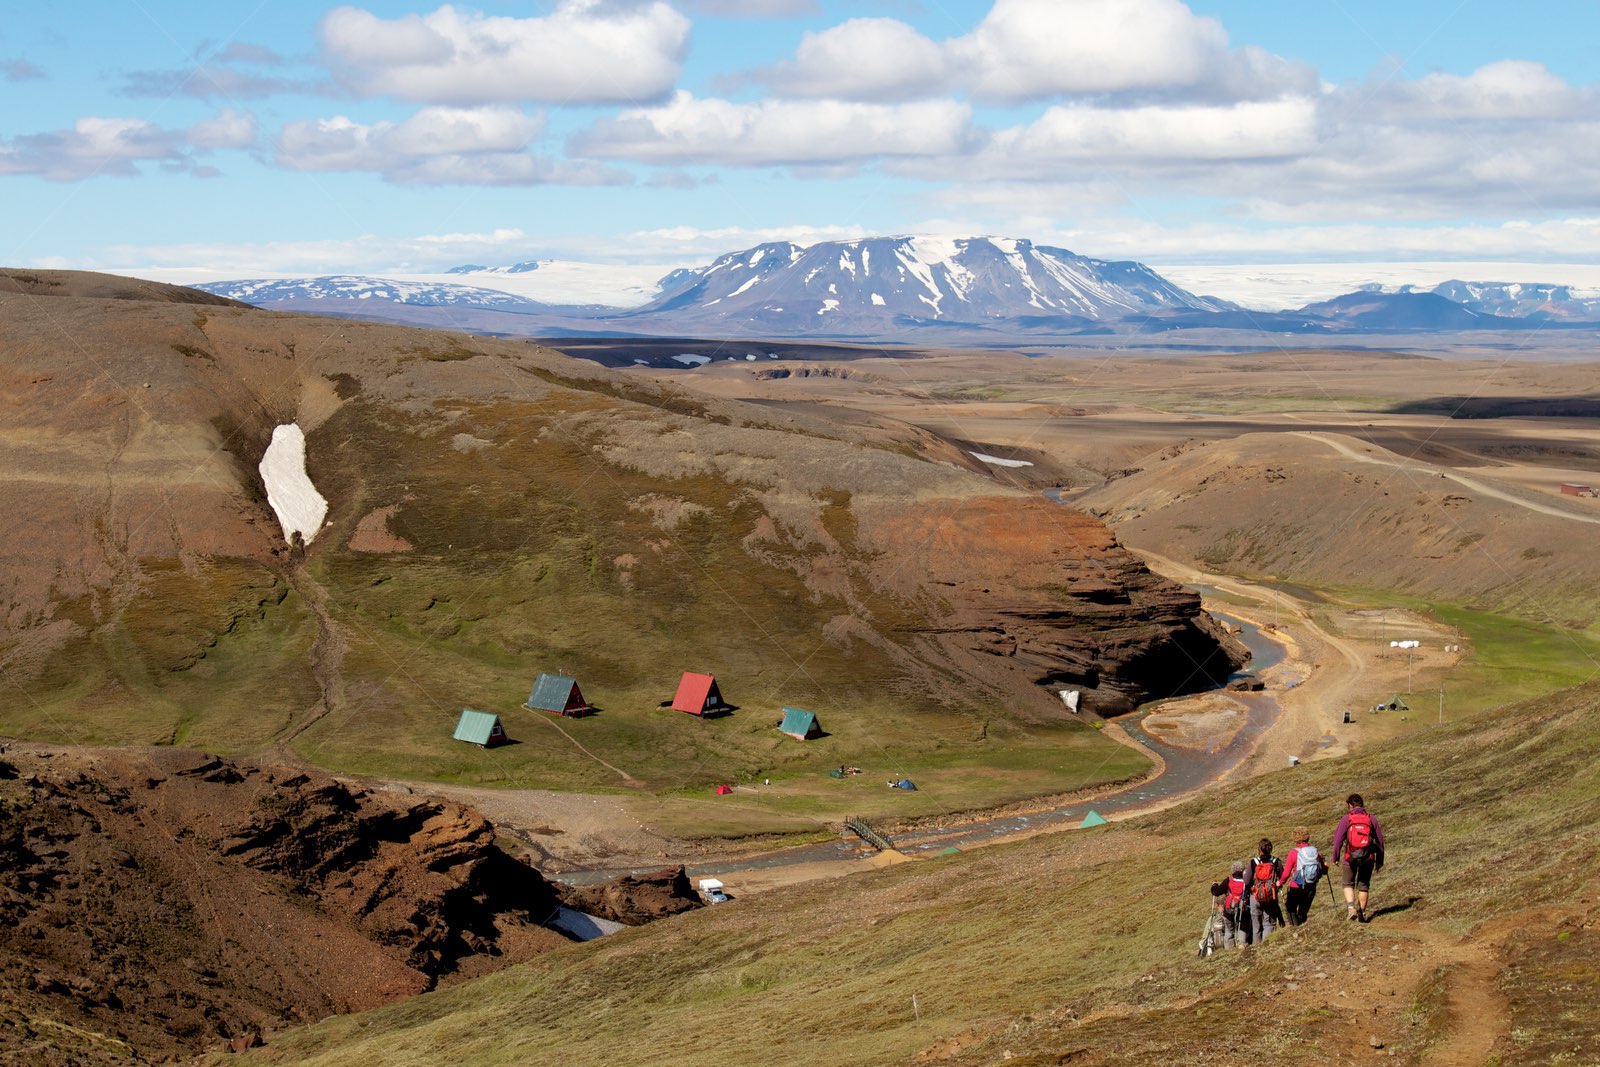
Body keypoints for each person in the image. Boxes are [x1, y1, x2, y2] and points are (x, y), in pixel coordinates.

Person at [1332, 793, 1386, 922]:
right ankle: (1362, 912)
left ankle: (1351, 909)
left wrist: (1336, 856)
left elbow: (1338, 839)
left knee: (1347, 883)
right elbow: (1380, 841)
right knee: (1363, 885)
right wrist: (1380, 861)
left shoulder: (1347, 819)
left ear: (1350, 805)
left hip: (1350, 856)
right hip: (1368, 857)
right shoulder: (1371, 819)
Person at [1277, 827, 1325, 926]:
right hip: (1311, 886)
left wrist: (1280, 882)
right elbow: (1322, 869)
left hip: (1296, 886)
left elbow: (1286, 874)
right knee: (1303, 911)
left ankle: (1295, 929)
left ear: (1295, 838)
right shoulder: (1315, 852)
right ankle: (1303, 926)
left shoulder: (1293, 853)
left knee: (1290, 908)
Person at [1245, 838, 1284, 944]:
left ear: (1259, 849)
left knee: (1256, 925)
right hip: (1271, 896)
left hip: (1256, 896)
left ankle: (1257, 948)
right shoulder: (1276, 862)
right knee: (1269, 923)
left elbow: (1247, 881)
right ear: (1271, 849)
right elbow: (1283, 877)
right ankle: (1267, 947)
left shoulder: (1254, 862)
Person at [1215, 861, 1248, 950]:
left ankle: (1229, 948)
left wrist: (1214, 885)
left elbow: (1216, 892)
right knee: (1242, 926)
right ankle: (1242, 944)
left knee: (1229, 930)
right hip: (1242, 908)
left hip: (1229, 908)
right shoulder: (1246, 881)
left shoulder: (1228, 881)